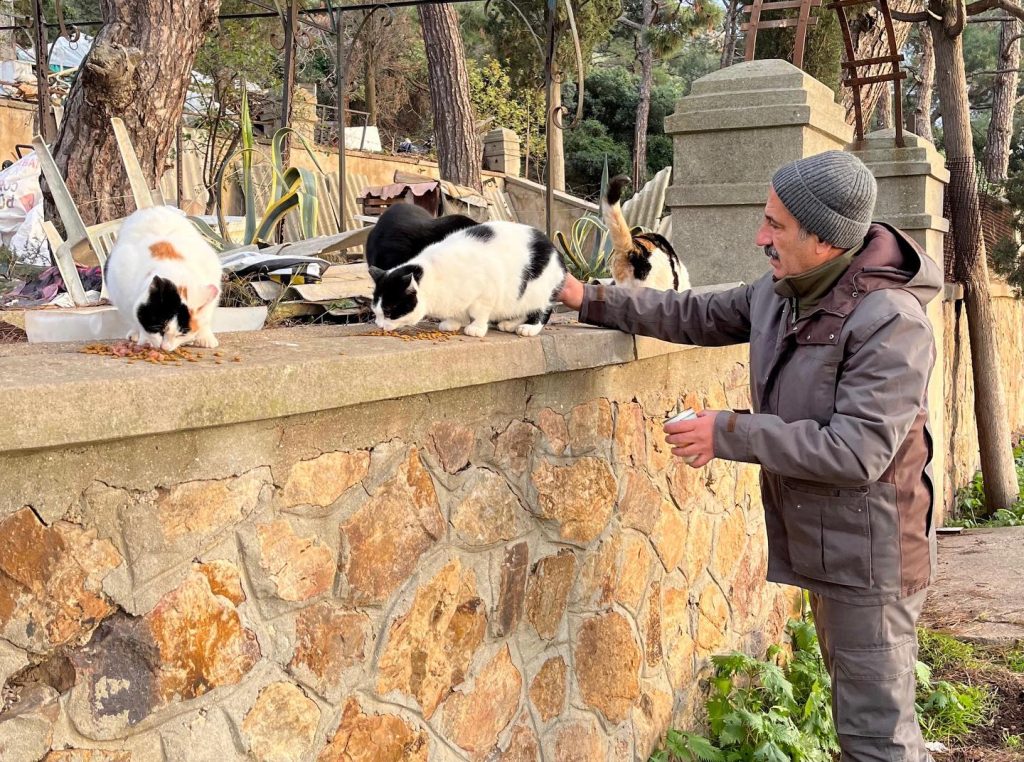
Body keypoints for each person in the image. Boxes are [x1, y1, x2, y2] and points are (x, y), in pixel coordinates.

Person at [558, 150, 940, 762]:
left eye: (776, 226)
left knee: (876, 740)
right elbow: (697, 312)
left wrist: (728, 432)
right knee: (862, 728)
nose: (760, 237)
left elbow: (856, 451)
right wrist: (590, 298)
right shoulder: (784, 291)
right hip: (834, 546)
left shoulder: (890, 322)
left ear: (825, 239)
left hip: (872, 559)